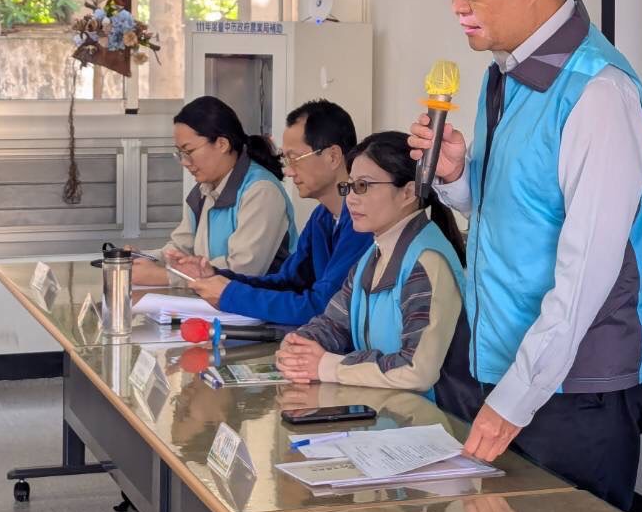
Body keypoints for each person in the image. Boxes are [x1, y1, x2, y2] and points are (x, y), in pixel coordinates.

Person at [407, 0, 642, 510]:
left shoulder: (598, 91)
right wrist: (457, 177)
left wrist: (514, 400)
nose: (457, 4)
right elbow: (517, 214)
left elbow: (585, 275)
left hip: (574, 389)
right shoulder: (504, 72)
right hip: (504, 365)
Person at [275, 131, 465, 397]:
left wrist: (327, 366)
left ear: (408, 192)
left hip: (431, 417)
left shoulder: (426, 261)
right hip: (386, 410)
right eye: (349, 186)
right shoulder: (372, 256)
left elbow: (416, 370)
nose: (351, 198)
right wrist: (301, 345)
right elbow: (335, 324)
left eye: (363, 186)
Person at [168, 99, 372, 325]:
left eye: (294, 158)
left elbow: (322, 306)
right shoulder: (321, 217)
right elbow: (287, 282)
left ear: (332, 156)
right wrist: (216, 276)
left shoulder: (362, 223)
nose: (288, 171)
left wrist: (231, 295)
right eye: (285, 158)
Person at [131, 95, 295, 286]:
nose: (184, 162)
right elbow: (181, 249)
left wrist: (164, 277)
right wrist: (142, 259)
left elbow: (243, 269)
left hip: (262, 301)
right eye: (180, 153)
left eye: (188, 151)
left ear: (222, 144)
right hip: (218, 298)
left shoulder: (261, 191)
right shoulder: (204, 189)